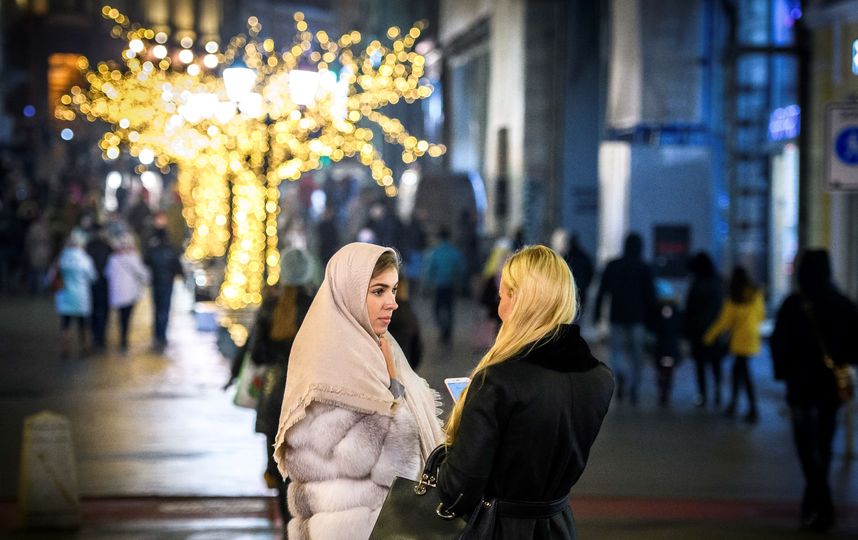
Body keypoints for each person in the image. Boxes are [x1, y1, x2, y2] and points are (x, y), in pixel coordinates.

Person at [437, 245, 614, 539]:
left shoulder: (497, 380)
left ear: (520, 300)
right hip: (558, 525)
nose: (499, 308)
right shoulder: (600, 378)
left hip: (499, 528)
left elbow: (458, 489)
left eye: (502, 295)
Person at [273, 243, 444, 539]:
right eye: (379, 291)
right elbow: (394, 465)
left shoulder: (373, 348)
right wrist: (394, 387)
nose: (392, 302)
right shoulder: (333, 362)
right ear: (349, 292)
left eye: (393, 290)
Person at [770, 250, 858, 532]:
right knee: (824, 443)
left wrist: (783, 372)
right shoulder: (843, 304)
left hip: (801, 384)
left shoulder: (793, 304)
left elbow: (779, 343)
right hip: (829, 387)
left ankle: (817, 503)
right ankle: (819, 504)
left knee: (805, 446)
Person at [247, 247, 318, 534]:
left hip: (274, 395)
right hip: (306, 396)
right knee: (305, 471)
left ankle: (288, 528)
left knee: (278, 471)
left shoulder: (270, 307)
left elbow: (257, 355)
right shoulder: (316, 307)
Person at [593, 232, 656, 404]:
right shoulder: (644, 267)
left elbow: (602, 292)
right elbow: (650, 297)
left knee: (616, 351)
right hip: (638, 318)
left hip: (617, 315)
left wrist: (597, 313)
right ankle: (634, 386)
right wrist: (654, 320)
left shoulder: (613, 265)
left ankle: (620, 375)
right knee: (636, 355)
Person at [703, 265, 765, 423]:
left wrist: (709, 336)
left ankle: (746, 407)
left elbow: (724, 321)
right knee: (740, 371)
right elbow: (761, 315)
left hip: (739, 340)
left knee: (741, 372)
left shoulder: (733, 298)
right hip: (752, 338)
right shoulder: (755, 294)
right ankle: (739, 406)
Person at [683, 251, 726, 408]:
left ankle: (703, 395)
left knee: (700, 365)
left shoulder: (697, 283)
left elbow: (689, 308)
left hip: (698, 331)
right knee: (716, 364)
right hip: (716, 330)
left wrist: (686, 330)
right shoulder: (718, 282)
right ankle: (718, 393)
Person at [51, 229, 97, 358]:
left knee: (65, 324)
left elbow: (51, 276)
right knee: (83, 324)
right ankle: (85, 347)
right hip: (81, 297)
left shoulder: (61, 258)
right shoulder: (85, 259)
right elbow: (93, 277)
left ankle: (64, 349)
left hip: (65, 295)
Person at [105, 233, 150, 353]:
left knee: (121, 317)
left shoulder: (113, 259)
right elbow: (143, 274)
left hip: (118, 294)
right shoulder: (133, 257)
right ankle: (124, 340)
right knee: (127, 317)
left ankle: (122, 338)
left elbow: (107, 274)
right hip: (130, 294)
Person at [423, 227, 466, 345]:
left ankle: (443, 330)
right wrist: (461, 284)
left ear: (439, 237)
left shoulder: (434, 252)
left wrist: (427, 285)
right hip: (451, 286)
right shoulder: (455, 252)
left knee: (437, 310)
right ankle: (448, 332)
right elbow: (462, 269)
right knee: (450, 310)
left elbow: (430, 270)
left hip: (438, 286)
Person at [143, 227, 184, 351]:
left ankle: (158, 336)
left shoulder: (153, 250)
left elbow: (146, 262)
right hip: (167, 284)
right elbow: (177, 267)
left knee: (157, 310)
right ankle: (161, 337)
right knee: (164, 310)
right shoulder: (170, 250)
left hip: (157, 283)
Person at [385, 278, 423, 370]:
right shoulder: (408, 314)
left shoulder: (382, 312)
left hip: (384, 367)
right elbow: (417, 349)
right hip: (404, 365)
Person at [86, 223, 113, 351]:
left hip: (91, 284)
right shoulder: (107, 246)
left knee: (93, 310)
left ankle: (95, 336)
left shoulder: (88, 247)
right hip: (105, 283)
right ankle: (101, 337)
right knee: (103, 311)